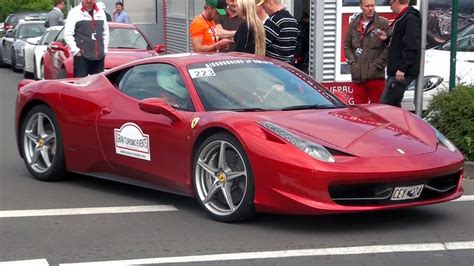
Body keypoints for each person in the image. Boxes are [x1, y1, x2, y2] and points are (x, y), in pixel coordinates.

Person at [344, 0, 388, 104]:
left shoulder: (382, 23)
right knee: (359, 110)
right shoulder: (354, 24)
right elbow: (347, 45)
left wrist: (377, 65)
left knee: (377, 110)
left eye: (372, 5)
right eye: (367, 6)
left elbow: (388, 47)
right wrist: (353, 62)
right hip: (358, 76)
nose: (370, 8)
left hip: (376, 75)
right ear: (361, 7)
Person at [378, 0, 421, 107]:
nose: (390, 7)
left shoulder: (410, 18)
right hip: (396, 70)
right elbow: (399, 42)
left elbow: (411, 45)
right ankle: (398, 123)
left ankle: (392, 124)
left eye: (390, 3)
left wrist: (402, 68)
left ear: (396, 1)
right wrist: (387, 39)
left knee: (387, 104)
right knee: (394, 105)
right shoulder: (403, 18)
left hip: (401, 72)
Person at [64, 0, 109, 78]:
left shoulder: (100, 12)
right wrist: (76, 51)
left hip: (99, 57)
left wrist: (105, 49)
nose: (89, 1)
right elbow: (67, 34)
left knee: (97, 85)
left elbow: (105, 32)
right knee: (81, 85)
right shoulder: (74, 12)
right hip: (82, 57)